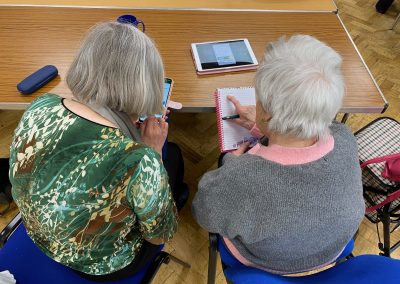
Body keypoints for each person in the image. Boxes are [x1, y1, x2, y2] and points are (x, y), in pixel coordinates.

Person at [9, 21, 187, 281]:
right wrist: (153, 150)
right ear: (144, 86)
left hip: (36, 232)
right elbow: (160, 233)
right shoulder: (139, 159)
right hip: (100, 265)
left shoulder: (40, 105)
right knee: (174, 158)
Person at [192, 35, 365, 274]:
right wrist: (262, 125)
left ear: (269, 113)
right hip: (331, 249)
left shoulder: (240, 177)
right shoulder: (345, 137)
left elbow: (204, 213)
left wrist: (233, 164)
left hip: (265, 261)